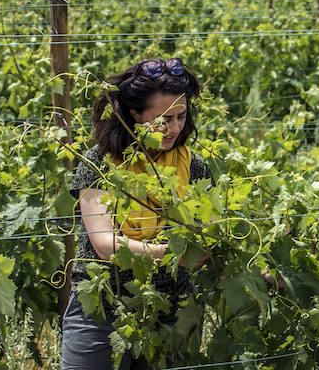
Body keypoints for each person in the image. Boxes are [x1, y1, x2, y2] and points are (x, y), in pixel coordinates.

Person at [62, 57, 212, 370]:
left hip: (173, 309)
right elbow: (105, 244)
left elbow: (209, 231)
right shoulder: (99, 164)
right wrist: (168, 254)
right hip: (103, 306)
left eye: (181, 116)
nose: (174, 128)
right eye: (163, 119)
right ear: (134, 114)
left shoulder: (193, 165)